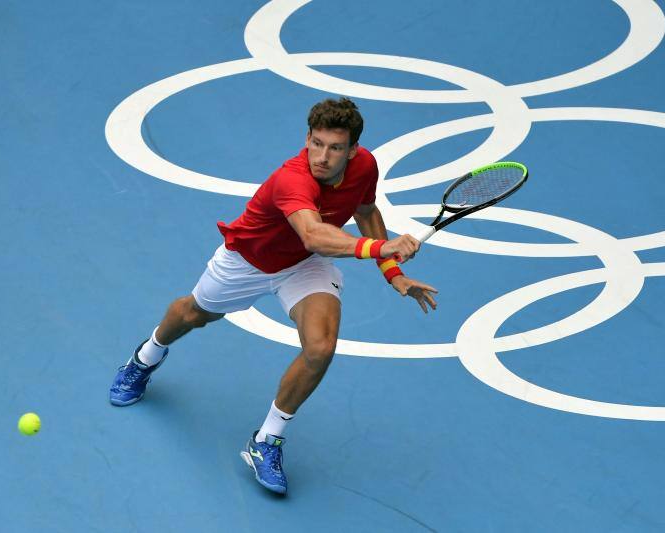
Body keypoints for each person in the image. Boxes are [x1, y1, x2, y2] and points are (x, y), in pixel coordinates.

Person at [109, 97, 438, 495]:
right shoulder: (292, 179)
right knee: (194, 314)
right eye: (316, 143)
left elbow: (366, 212)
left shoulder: (365, 166)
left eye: (335, 148)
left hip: (305, 265)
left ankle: (266, 441)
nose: (322, 156)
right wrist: (380, 249)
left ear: (353, 150)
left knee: (320, 347)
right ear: (307, 138)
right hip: (248, 262)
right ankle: (146, 356)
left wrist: (394, 274)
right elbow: (314, 233)